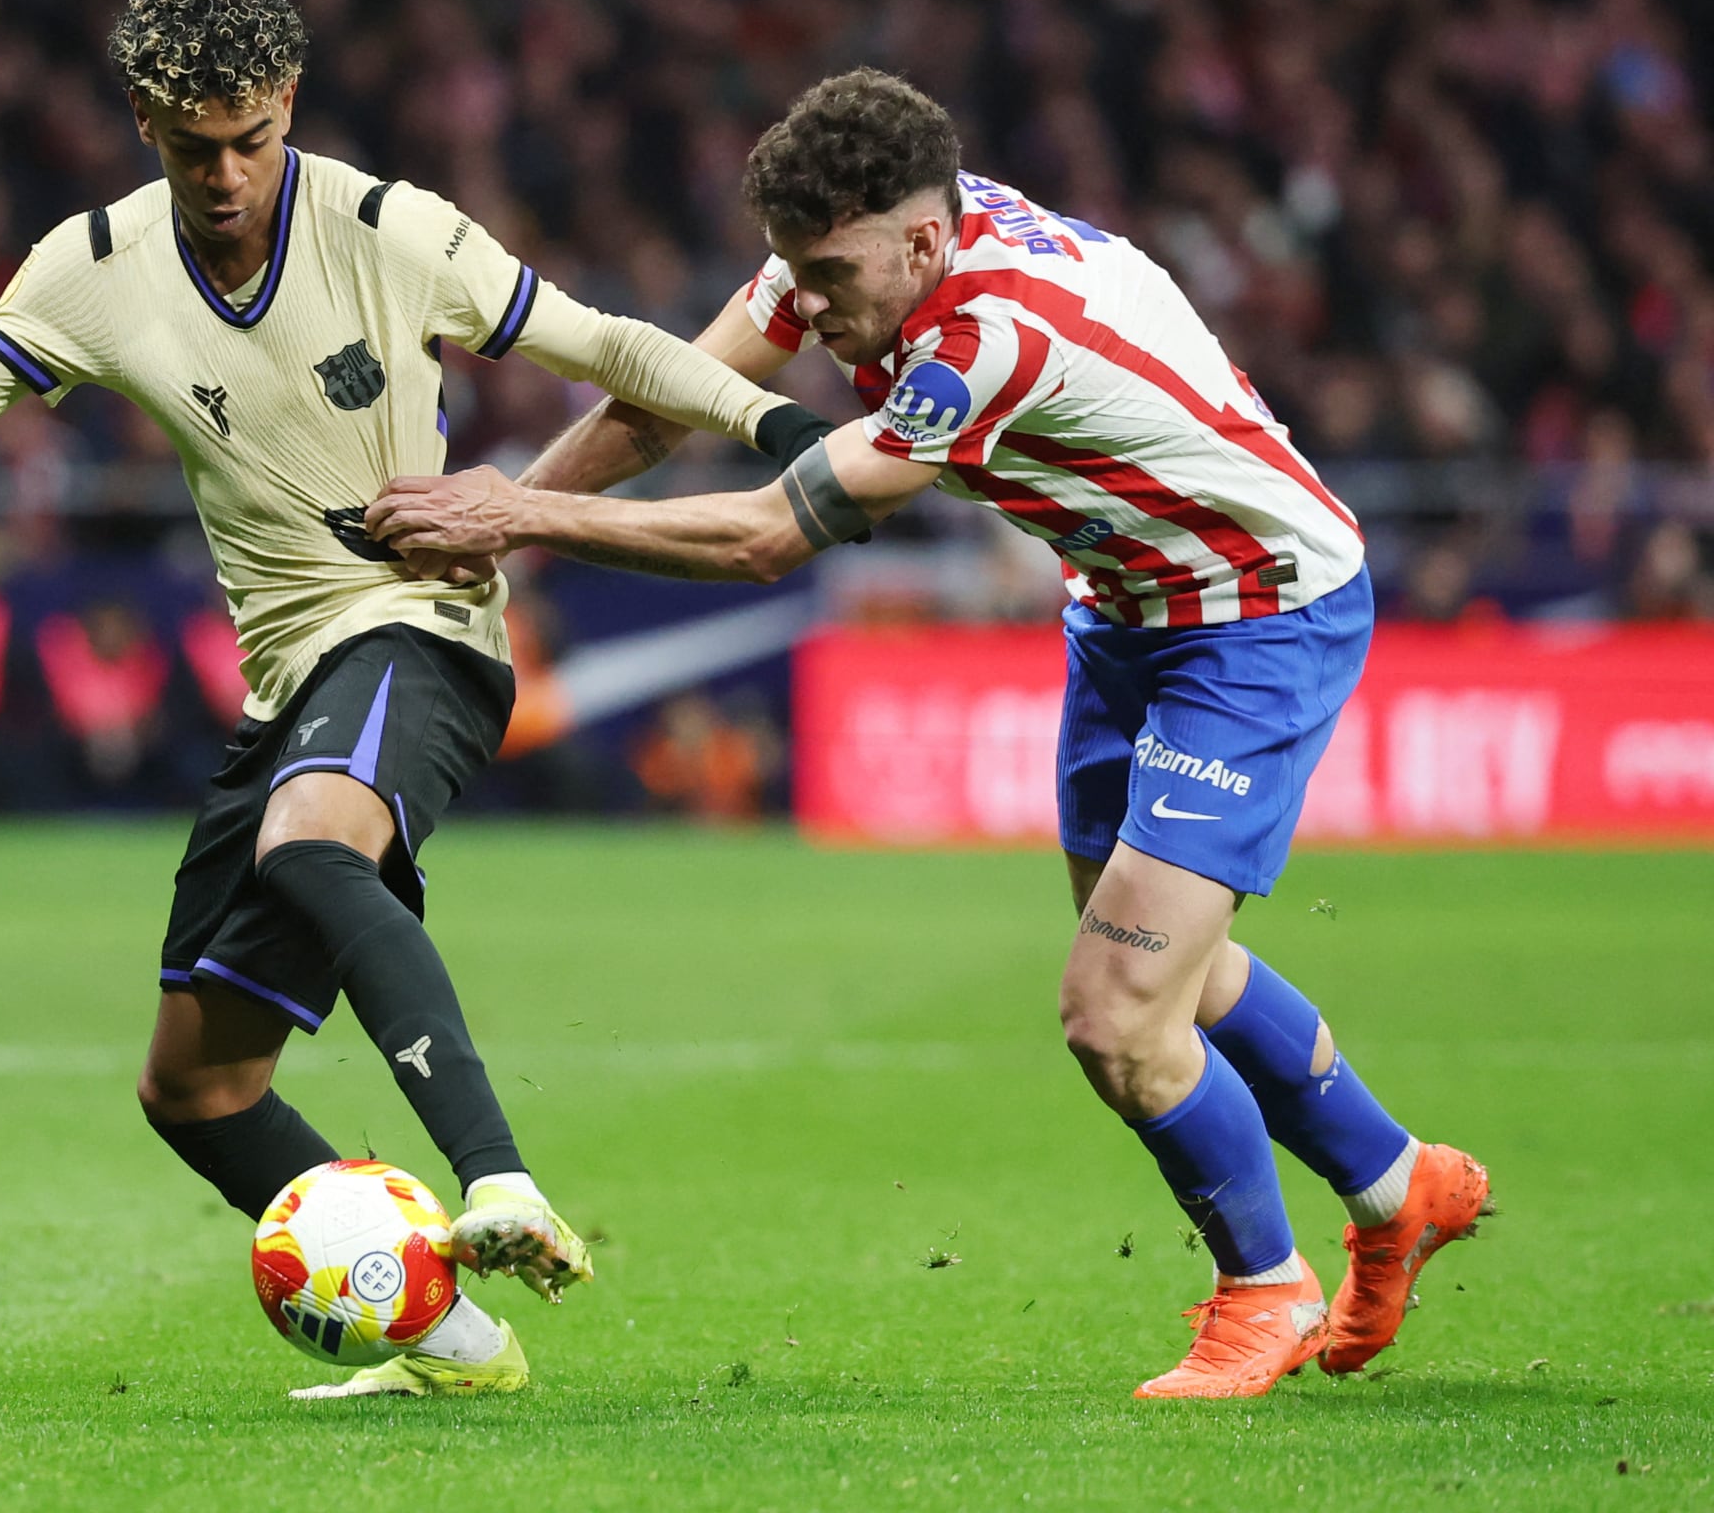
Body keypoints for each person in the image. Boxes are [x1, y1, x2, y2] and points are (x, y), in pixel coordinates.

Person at [0, 0, 827, 1399]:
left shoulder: (386, 226)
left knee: (314, 844)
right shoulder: (89, 270)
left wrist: (773, 417)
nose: (227, 174)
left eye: (249, 139)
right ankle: (454, 1344)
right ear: (142, 123)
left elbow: (602, 344)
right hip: (284, 684)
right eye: (194, 148)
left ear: (288, 104)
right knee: (197, 1088)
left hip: (418, 632)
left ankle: (498, 1180)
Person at [370, 69, 1492, 1400]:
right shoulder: (863, 247)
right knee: (1169, 975)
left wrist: (511, 518)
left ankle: (1264, 1292)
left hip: (1255, 620)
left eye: (831, 275)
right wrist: (490, 531)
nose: (813, 304)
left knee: (1117, 1014)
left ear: (919, 240)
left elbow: (765, 534)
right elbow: (664, 398)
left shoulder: (991, 335)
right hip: (1125, 608)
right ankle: (1397, 1183)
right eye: (795, 272)